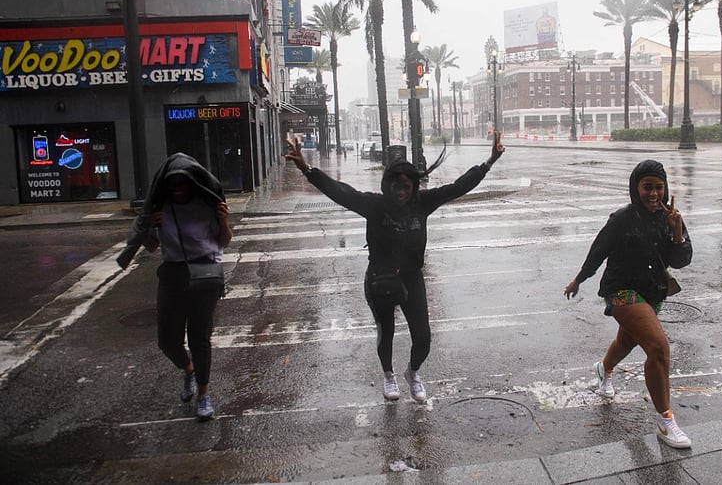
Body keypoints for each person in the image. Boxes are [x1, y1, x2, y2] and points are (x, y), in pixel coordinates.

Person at [285, 133, 505, 403]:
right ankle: (388, 375)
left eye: (407, 187)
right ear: (387, 185)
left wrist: (489, 162)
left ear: (413, 186)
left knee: (423, 337)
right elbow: (340, 192)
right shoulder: (374, 205)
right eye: (396, 186)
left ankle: (412, 373)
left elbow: (458, 187)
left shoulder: (422, 203)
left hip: (412, 279)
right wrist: (307, 170)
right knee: (385, 332)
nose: (401, 192)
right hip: (379, 279)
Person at [563, 159, 693, 449]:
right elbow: (598, 251)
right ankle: (665, 421)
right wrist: (579, 279)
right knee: (658, 348)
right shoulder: (622, 218)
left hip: (652, 293)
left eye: (659, 187)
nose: (654, 194)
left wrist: (676, 231)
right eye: (647, 187)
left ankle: (604, 368)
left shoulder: (671, 217)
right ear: (636, 188)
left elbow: (681, 261)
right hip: (621, 290)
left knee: (627, 342)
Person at [117, 153, 232, 421]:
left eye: (183, 183)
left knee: (200, 338)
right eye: (173, 184)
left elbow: (224, 241)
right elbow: (151, 246)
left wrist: (224, 221)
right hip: (172, 275)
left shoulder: (208, 204)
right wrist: (148, 228)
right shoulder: (161, 208)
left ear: (192, 183)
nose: (178, 189)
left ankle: (203, 394)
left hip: (205, 275)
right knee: (167, 340)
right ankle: (188, 370)